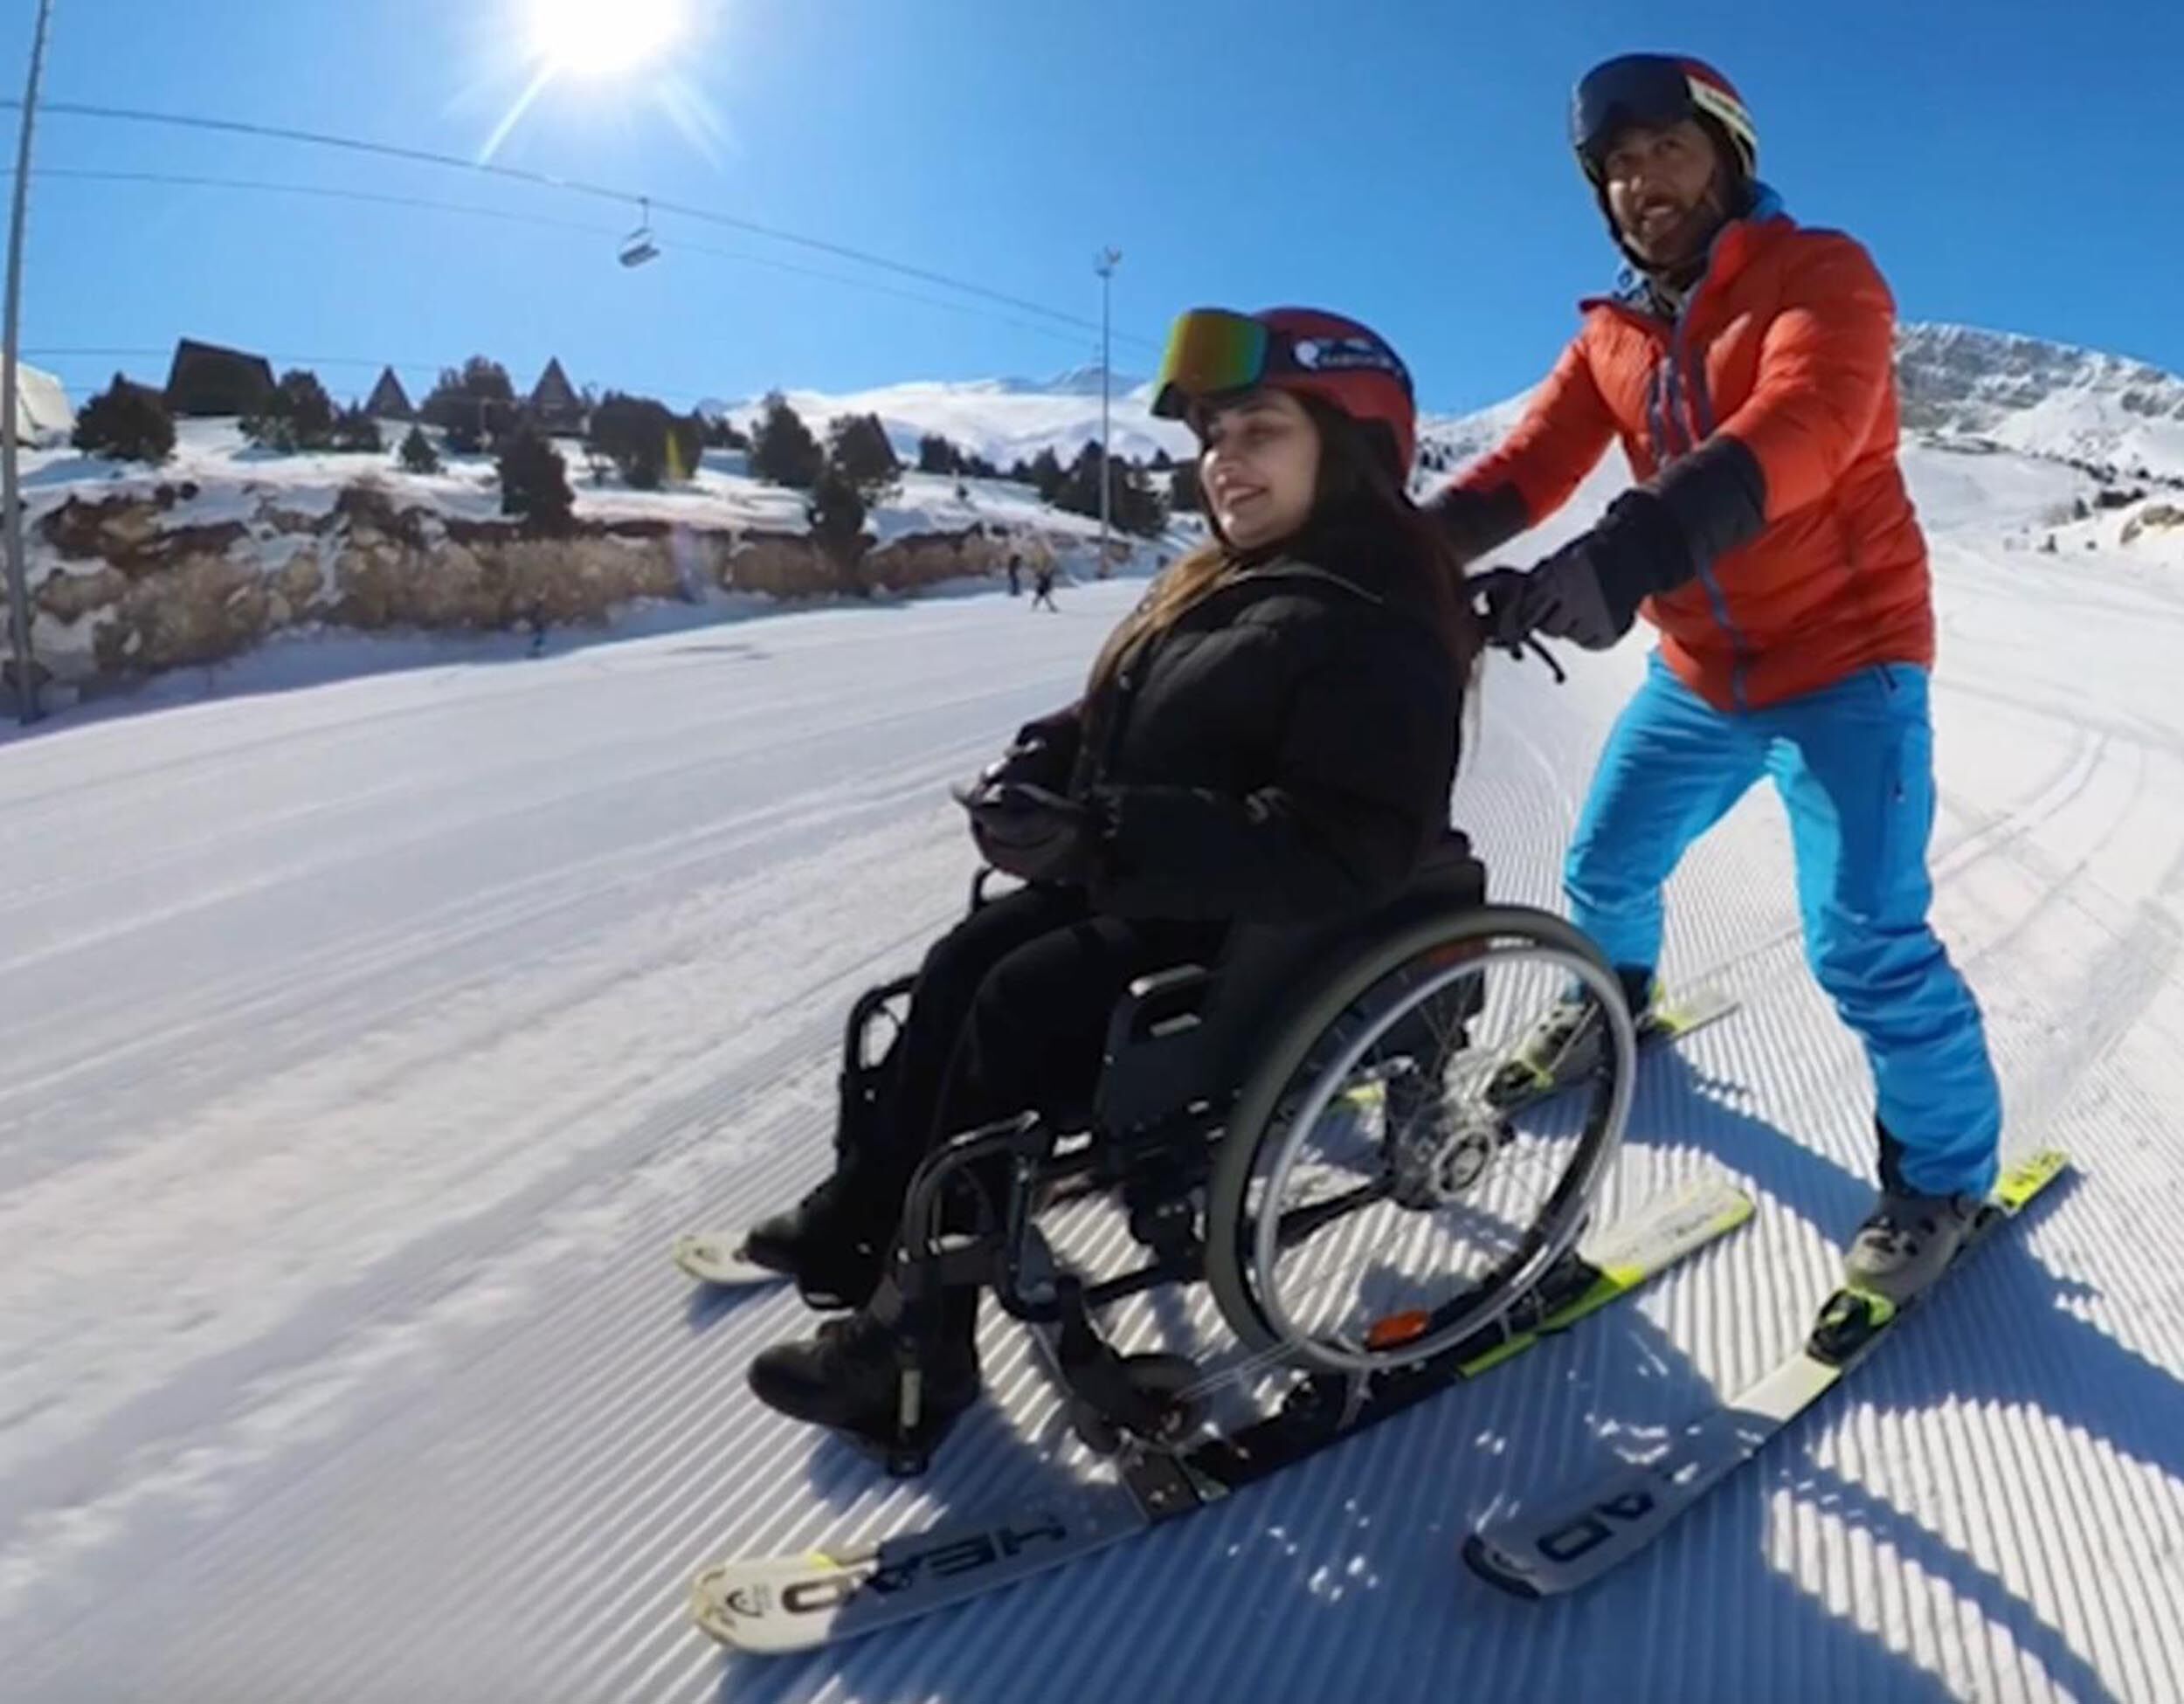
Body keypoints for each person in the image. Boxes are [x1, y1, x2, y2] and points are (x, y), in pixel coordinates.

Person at [743, 306, 1480, 1460]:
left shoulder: (1377, 620)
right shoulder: (1235, 580)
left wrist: (1103, 834)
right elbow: (1131, 711)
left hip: (1250, 937)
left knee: (1016, 1003)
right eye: (1213, 437)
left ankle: (919, 1344)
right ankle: (867, 1212)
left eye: (1261, 431)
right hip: (1161, 890)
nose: (1223, 461)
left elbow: (1344, 844)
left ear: (1350, 447)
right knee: (962, 960)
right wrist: (1049, 764)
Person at [1432, 52, 2002, 1307]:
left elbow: (1804, 425)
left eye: (1668, 151)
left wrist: (1625, 556)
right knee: (1605, 866)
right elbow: (1526, 468)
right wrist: (1395, 555)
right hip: (1700, 673)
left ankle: (1945, 1179)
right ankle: (1615, 1006)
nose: (1644, 183)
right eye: (1618, 167)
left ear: (1728, 158)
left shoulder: (1822, 275)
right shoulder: (1613, 337)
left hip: (1849, 662)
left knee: (1865, 941)